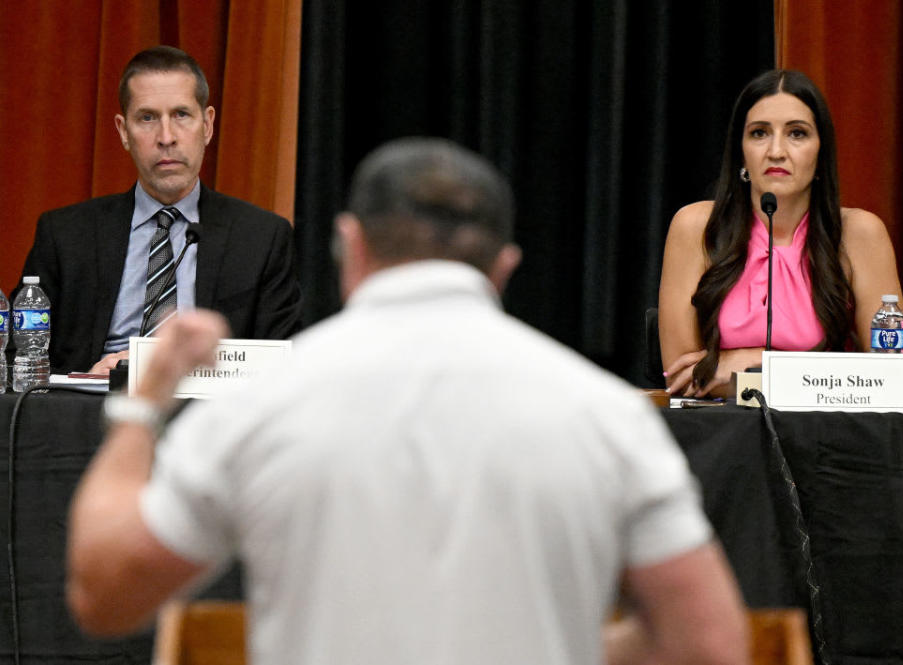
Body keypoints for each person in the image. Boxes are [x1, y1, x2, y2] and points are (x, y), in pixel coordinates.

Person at [66, 138, 748, 665]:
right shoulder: (608, 414)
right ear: (505, 265)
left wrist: (138, 412)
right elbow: (713, 644)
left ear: (350, 246)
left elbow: (102, 594)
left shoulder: (259, 407)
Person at [15, 46, 301, 375]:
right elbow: (18, 356)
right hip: (91, 410)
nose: (166, 137)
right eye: (147, 118)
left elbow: (283, 362)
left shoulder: (261, 237)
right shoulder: (65, 235)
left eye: (181, 115)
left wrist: (147, 368)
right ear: (124, 131)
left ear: (207, 125)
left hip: (206, 412)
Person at [659, 69, 903, 398]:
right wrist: (817, 374)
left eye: (797, 134)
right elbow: (685, 379)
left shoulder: (860, 234)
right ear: (740, 151)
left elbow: (894, 378)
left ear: (821, 153)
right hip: (722, 434)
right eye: (759, 133)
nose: (776, 151)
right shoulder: (696, 227)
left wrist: (750, 365)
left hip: (828, 437)